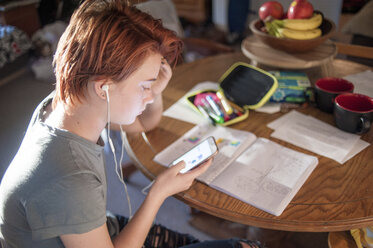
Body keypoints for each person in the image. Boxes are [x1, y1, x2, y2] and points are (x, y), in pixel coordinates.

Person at [0, 1, 262, 247]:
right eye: (144, 86)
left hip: (100, 226)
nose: (148, 96)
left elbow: (146, 124)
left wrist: (155, 89)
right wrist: (159, 192)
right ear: (104, 88)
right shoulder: (70, 180)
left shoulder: (69, 102)